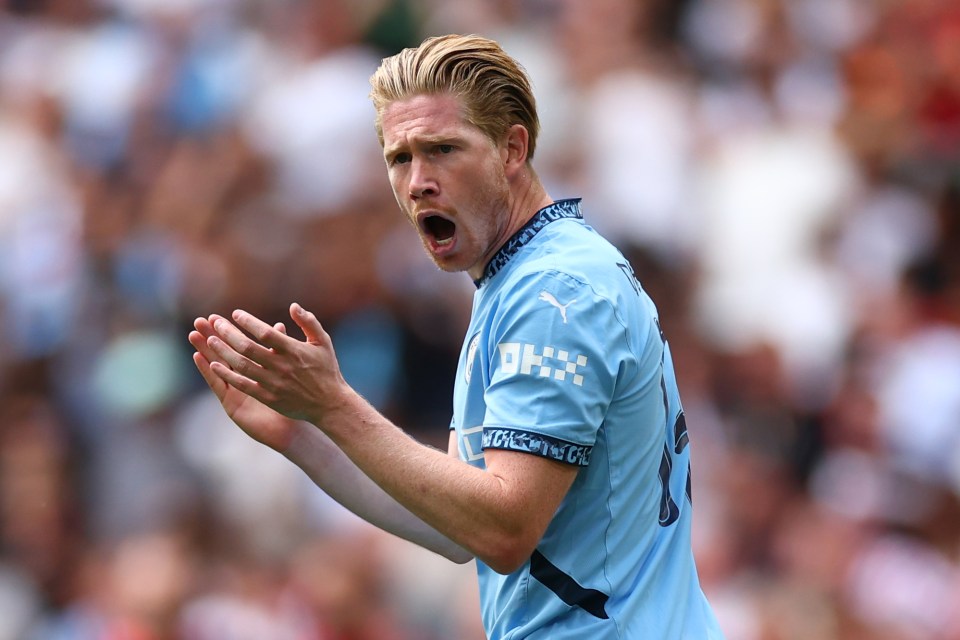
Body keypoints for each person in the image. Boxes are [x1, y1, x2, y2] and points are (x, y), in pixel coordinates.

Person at [188, 34, 725, 639]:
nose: (418, 180)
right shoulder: (518, 279)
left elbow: (503, 527)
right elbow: (457, 528)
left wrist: (334, 404)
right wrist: (301, 431)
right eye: (400, 158)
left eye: (443, 149)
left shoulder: (555, 293)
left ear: (512, 149)